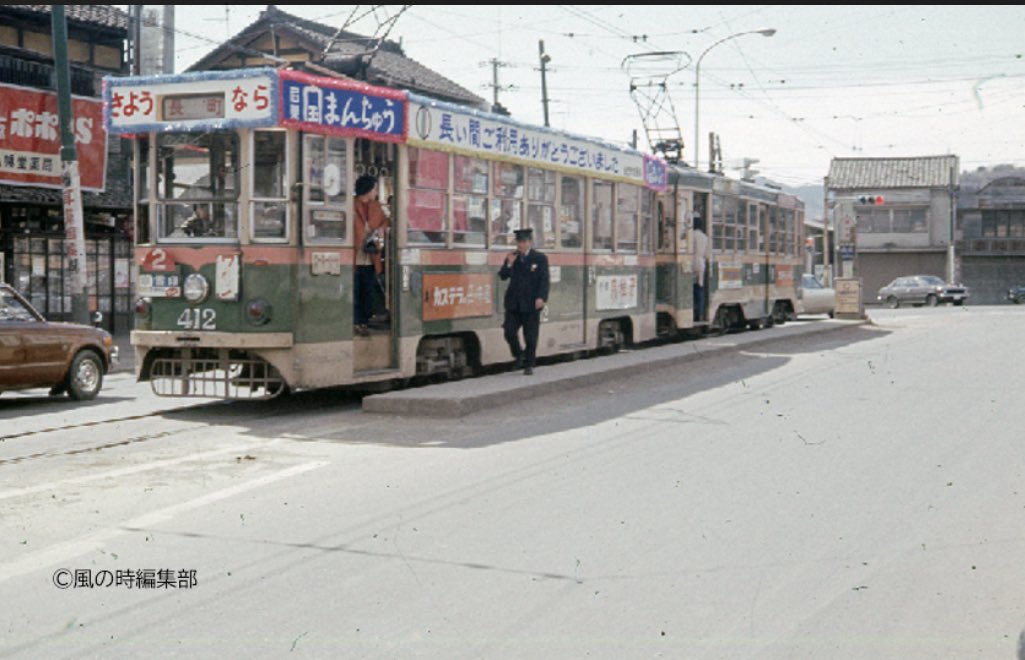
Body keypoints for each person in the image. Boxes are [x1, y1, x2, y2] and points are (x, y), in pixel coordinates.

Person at [499, 227, 550, 375]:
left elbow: (544, 280)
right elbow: (503, 276)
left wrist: (541, 297)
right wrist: (508, 264)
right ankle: (518, 354)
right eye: (519, 242)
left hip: (531, 302)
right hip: (514, 302)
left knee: (531, 335)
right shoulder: (512, 257)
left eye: (524, 241)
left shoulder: (539, 258)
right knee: (509, 331)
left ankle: (529, 364)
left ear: (530, 242)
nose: (521, 245)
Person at [352, 174, 390, 337]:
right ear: (367, 189)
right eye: (375, 188)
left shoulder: (376, 207)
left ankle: (364, 322)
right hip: (354, 254)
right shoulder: (351, 204)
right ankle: (355, 322)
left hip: (371, 256)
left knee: (367, 290)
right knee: (354, 290)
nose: (376, 192)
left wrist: (380, 230)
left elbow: (386, 222)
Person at [691, 213, 711, 322]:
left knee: (691, 288)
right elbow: (707, 255)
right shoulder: (704, 237)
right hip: (701, 263)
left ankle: (692, 311)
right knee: (699, 288)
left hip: (690, 263)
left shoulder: (690, 235)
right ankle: (700, 313)